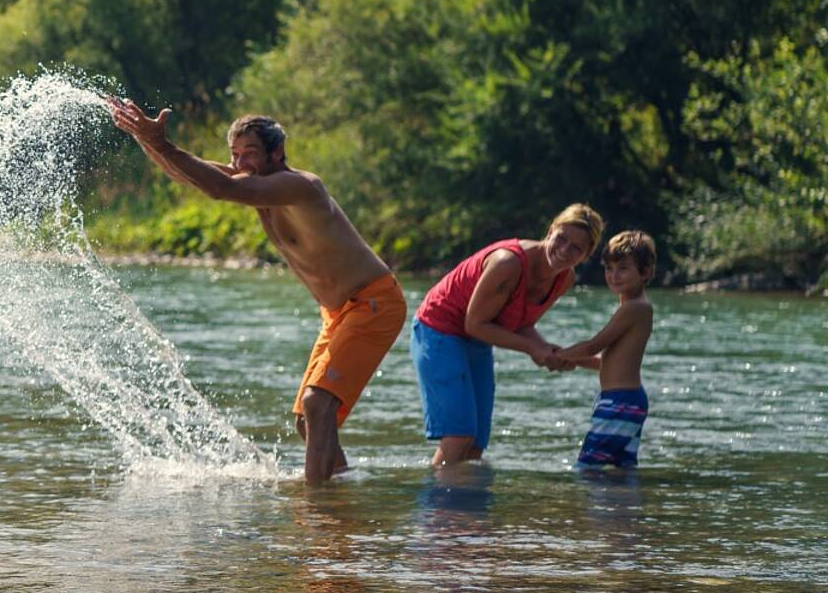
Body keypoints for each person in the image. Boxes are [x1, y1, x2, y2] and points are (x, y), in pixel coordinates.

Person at [104, 105, 405, 484]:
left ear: (276, 153)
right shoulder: (252, 180)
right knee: (306, 421)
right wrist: (148, 139)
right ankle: (341, 489)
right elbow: (187, 173)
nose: (238, 161)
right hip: (337, 311)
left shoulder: (300, 186)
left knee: (318, 403)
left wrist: (161, 143)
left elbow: (219, 188)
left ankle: (314, 510)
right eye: (234, 154)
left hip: (373, 302)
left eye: (249, 153)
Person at [410, 204, 602, 466]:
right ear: (551, 230)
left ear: (586, 255)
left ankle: (463, 506)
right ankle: (437, 505)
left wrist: (552, 352)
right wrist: (534, 349)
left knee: (476, 442)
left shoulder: (564, 279)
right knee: (460, 436)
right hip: (439, 328)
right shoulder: (508, 263)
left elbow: (520, 324)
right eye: (561, 238)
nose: (565, 250)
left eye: (576, 248)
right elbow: (475, 323)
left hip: (477, 337)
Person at [559, 230, 656, 468]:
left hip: (619, 402)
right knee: (623, 470)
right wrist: (573, 360)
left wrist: (555, 355)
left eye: (623, 268)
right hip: (626, 400)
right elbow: (606, 362)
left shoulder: (634, 308)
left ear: (646, 272)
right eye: (609, 268)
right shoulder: (634, 307)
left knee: (586, 469)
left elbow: (594, 345)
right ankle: (626, 506)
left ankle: (596, 506)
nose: (614, 276)